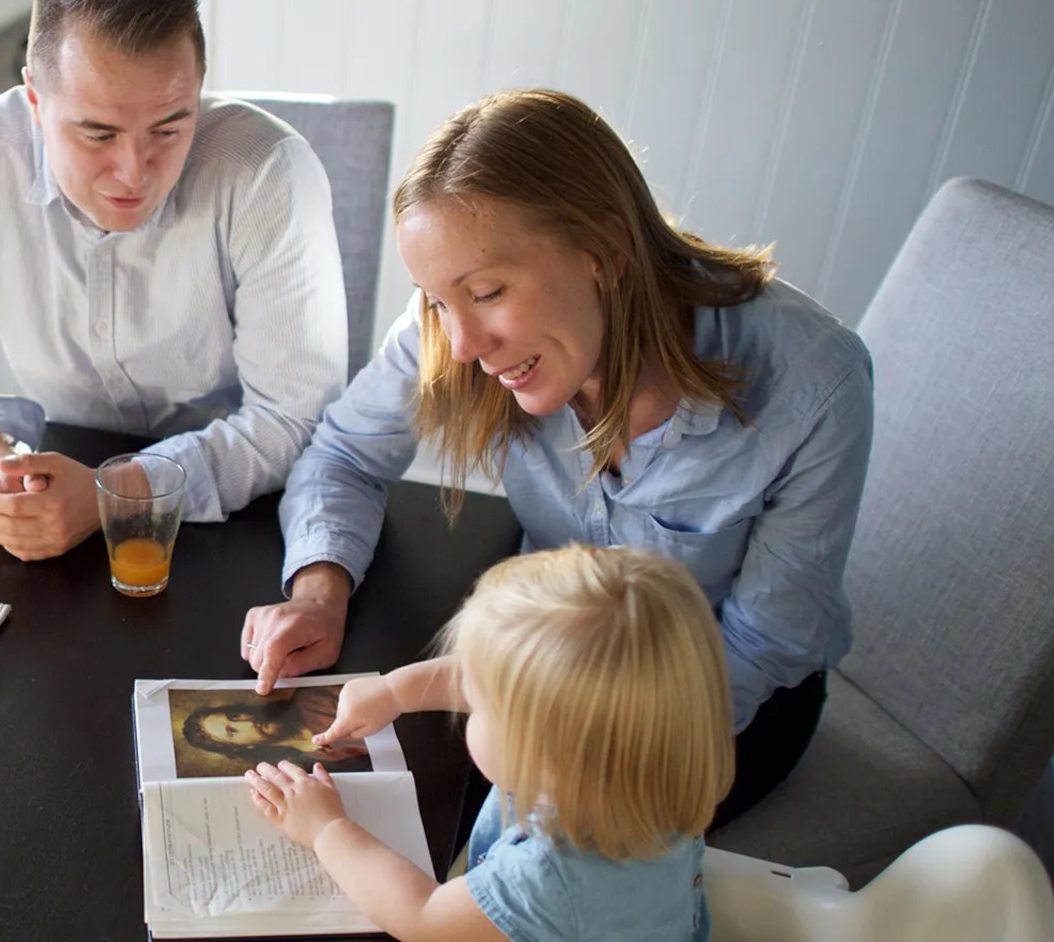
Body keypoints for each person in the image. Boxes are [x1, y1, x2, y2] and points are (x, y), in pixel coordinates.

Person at [241, 88, 871, 825]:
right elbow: (345, 452)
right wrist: (319, 592)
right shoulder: (454, 330)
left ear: (603, 251)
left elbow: (761, 646)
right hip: (541, 656)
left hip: (712, 704)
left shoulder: (814, 381)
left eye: (487, 292)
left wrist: (545, 738)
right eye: (437, 301)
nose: (465, 346)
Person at [0, 0, 347, 562]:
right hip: (50, 487)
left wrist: (113, 494)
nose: (134, 171)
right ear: (35, 103)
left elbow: (296, 419)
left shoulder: (267, 172)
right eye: (98, 134)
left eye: (169, 127)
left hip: (240, 516)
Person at [246, 545, 733, 942]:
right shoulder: (647, 765)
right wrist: (397, 691)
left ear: (538, 745)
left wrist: (324, 827)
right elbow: (501, 678)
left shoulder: (547, 875)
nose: (466, 695)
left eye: (478, 703)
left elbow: (422, 917)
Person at [180, 687, 369, 773]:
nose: (247, 723)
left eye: (235, 716)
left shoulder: (312, 699)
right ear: (242, 748)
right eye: (232, 731)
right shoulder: (302, 771)